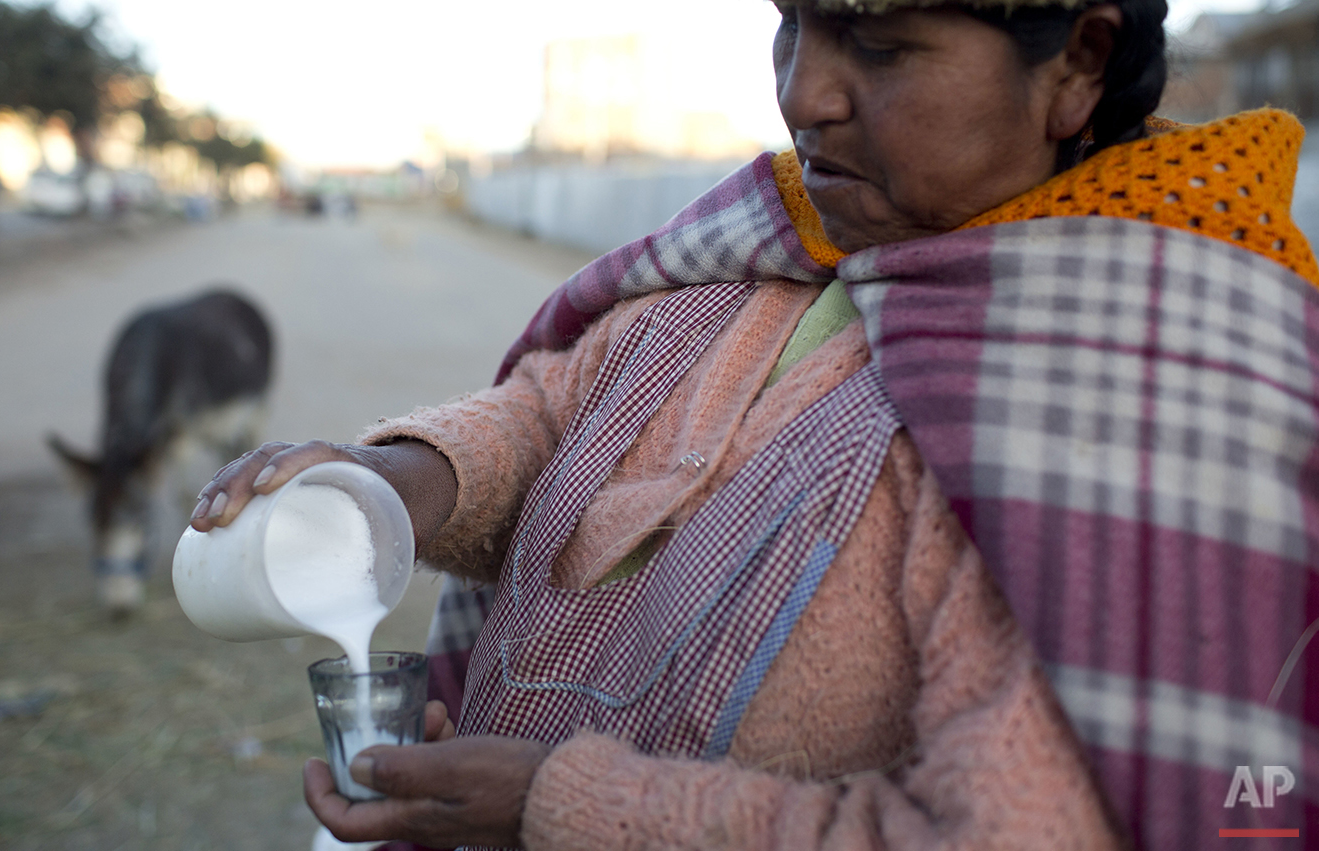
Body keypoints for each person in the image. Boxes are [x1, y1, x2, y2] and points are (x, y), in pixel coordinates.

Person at [191, 0, 1319, 847]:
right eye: (790, 25)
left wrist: (558, 803)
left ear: (1074, 62)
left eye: (877, 43)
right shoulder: (770, 251)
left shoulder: (1121, 388)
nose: (804, 93)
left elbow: (1010, 829)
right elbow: (557, 407)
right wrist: (383, 481)